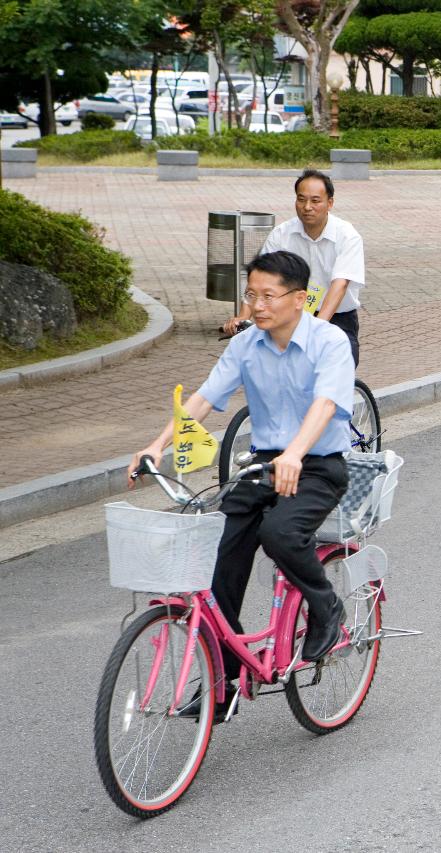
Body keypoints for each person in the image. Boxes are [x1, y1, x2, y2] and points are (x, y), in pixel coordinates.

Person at [133, 250, 355, 699]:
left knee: (280, 532)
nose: (257, 305)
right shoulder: (245, 343)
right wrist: (157, 445)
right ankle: (223, 678)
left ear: (300, 299)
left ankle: (326, 606)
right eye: (251, 294)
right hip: (263, 464)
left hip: (317, 465)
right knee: (219, 554)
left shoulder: (329, 342)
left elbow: (326, 404)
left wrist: (295, 453)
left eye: (268, 295)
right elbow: (203, 399)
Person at [222, 169, 367, 365]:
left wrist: (316, 327)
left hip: (337, 319)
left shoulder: (347, 236)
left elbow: (339, 285)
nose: (307, 207)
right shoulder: (282, 234)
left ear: (329, 203)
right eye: (301, 199)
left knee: (337, 367)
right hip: (291, 316)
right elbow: (259, 279)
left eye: (315, 201)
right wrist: (242, 316)